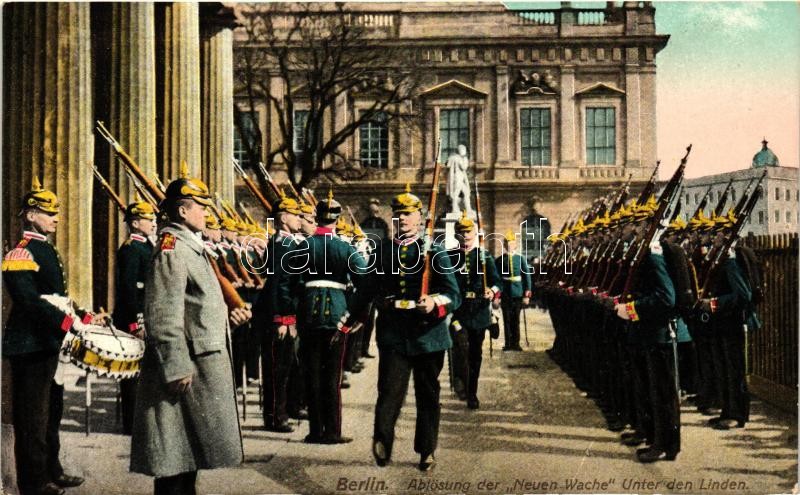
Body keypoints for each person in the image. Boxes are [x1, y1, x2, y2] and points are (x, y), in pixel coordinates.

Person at [130, 172, 251, 494]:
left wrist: (228, 317)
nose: (207, 213)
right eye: (201, 206)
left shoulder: (190, 247)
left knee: (188, 458)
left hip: (197, 365)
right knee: (174, 463)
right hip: (184, 370)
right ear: (182, 211)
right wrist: (175, 366)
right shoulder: (172, 248)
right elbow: (163, 314)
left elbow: (194, 308)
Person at [360, 184, 461, 471]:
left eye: (408, 214)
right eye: (399, 214)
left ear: (420, 217)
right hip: (394, 332)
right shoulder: (383, 252)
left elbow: (453, 294)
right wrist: (351, 320)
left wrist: (434, 304)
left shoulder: (435, 251)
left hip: (429, 335)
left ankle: (426, 449)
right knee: (390, 390)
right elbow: (366, 290)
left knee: (427, 394)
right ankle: (382, 441)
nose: (403, 219)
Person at [2, 177, 91, 495]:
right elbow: (28, 300)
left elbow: (55, 296)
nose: (56, 217)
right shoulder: (19, 253)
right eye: (47, 212)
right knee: (31, 418)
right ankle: (34, 482)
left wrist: (84, 317)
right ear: (29, 215)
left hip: (48, 342)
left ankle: (52, 470)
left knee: (51, 412)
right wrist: (67, 323)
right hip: (30, 344)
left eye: (56, 212)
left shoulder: (45, 250)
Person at [298, 190, 367, 444]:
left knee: (312, 374)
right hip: (337, 315)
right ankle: (333, 431)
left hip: (308, 316)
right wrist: (358, 314)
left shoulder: (303, 246)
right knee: (332, 377)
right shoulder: (345, 248)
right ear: (337, 220)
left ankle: (315, 431)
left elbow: (292, 284)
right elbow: (364, 282)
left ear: (316, 218)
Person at [254, 191, 304, 433]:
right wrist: (282, 319)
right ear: (284, 218)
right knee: (277, 369)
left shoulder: (287, 243)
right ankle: (275, 417)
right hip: (277, 316)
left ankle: (283, 411)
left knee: (285, 367)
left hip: (284, 313)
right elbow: (277, 285)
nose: (299, 219)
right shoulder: (282, 245)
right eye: (295, 214)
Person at [447, 212, 501, 409]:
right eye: (461, 233)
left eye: (469, 232)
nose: (465, 236)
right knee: (460, 349)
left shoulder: (484, 256)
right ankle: (460, 381)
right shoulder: (450, 257)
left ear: (475, 233)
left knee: (475, 355)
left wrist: (491, 291)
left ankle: (472, 393)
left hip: (479, 312)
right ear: (456, 235)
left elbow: (497, 282)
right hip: (459, 311)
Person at [113, 196, 156, 435]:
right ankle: (132, 423)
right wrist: (135, 321)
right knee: (131, 373)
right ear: (136, 223)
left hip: (146, 315)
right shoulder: (131, 249)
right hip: (134, 317)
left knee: (143, 372)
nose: (152, 223)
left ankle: (140, 419)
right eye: (148, 219)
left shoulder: (147, 246)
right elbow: (128, 288)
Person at [495, 231, 532, 351]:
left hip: (517, 293)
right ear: (504, 246)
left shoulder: (520, 259)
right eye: (507, 243)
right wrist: (497, 295)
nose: (509, 245)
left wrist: (527, 294)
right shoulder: (500, 260)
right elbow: (496, 278)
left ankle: (516, 344)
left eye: (511, 243)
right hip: (505, 292)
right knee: (506, 319)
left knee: (516, 319)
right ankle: (508, 344)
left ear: (515, 245)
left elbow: (526, 276)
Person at [445, 144, 473, 216]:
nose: (465, 152)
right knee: (457, 193)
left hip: (457, 178)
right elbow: (464, 167)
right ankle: (455, 209)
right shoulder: (460, 158)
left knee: (466, 192)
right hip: (458, 178)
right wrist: (465, 159)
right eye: (464, 150)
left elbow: (447, 165)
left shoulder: (452, 157)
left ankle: (468, 209)